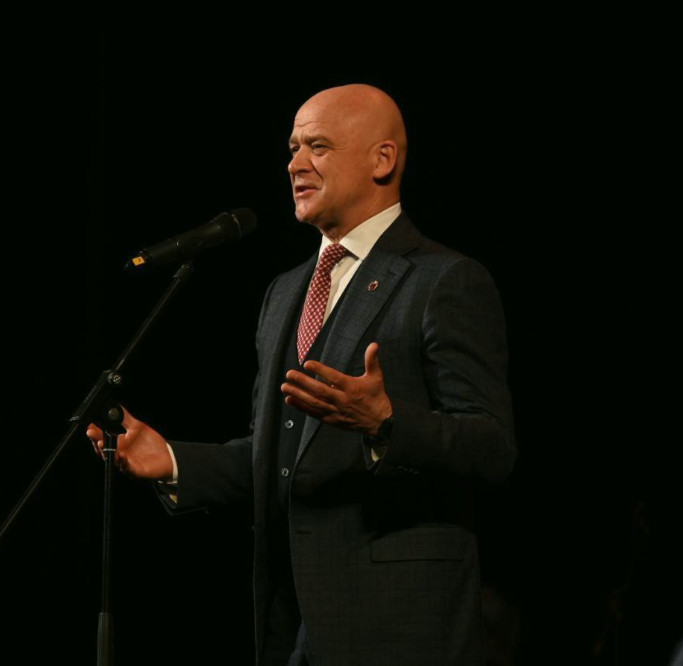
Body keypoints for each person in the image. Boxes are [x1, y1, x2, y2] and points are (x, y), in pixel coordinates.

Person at [88, 83, 516, 665]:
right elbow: (282, 455)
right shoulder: (285, 291)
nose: (294, 164)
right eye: (292, 148)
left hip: (400, 629)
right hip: (295, 625)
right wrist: (172, 460)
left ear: (382, 159)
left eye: (318, 146)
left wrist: (386, 422)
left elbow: (491, 446)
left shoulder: (444, 280)